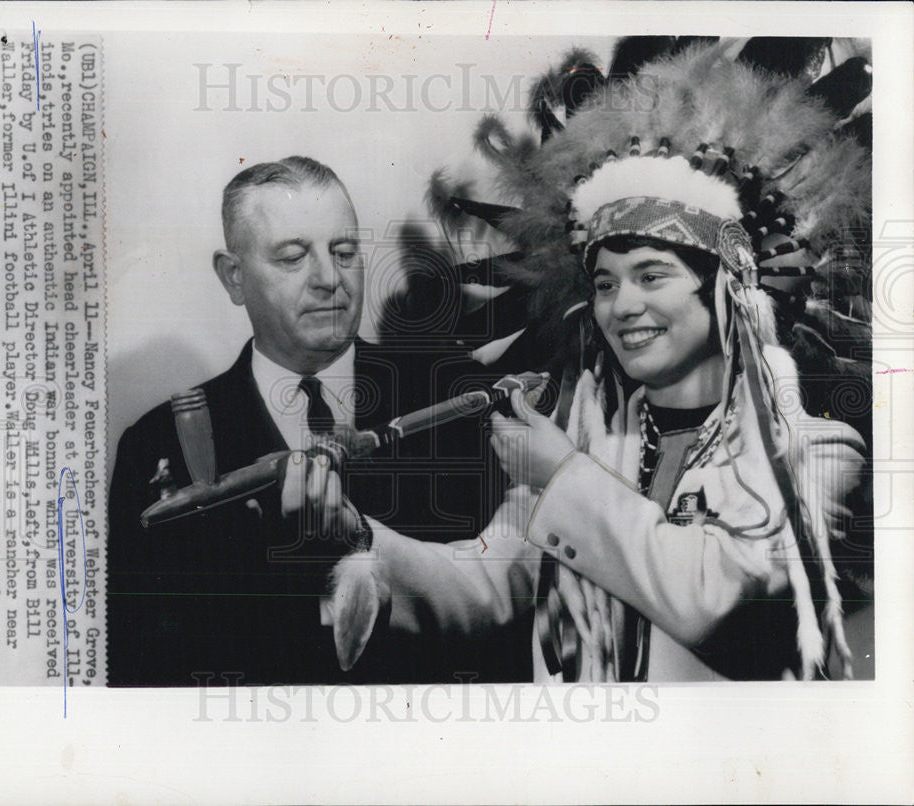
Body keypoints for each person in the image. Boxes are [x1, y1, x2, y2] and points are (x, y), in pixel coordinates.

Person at [318, 43, 871, 682]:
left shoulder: (817, 452)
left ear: (728, 286)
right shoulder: (590, 434)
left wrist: (561, 473)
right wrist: (359, 537)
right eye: (604, 283)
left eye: (651, 275)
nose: (622, 306)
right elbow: (490, 585)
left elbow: (723, 606)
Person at [106, 156, 531, 686]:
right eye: (292, 258)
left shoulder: (458, 398)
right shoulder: (155, 445)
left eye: (345, 252)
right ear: (233, 277)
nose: (329, 279)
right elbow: (142, 666)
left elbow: (511, 617)